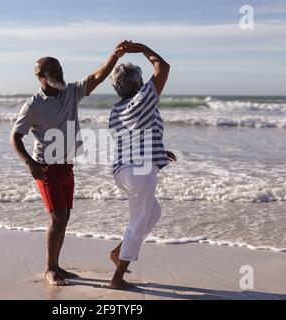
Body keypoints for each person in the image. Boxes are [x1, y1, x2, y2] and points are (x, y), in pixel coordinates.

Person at [9, 41, 129, 286]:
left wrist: (115, 56)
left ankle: (57, 266)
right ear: (41, 77)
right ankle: (49, 269)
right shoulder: (33, 105)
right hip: (46, 168)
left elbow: (98, 76)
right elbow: (15, 136)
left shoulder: (72, 91)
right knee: (58, 217)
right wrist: (29, 162)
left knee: (65, 217)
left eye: (60, 69)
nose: (60, 74)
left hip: (66, 166)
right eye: (53, 71)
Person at [108, 42, 177, 289]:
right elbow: (163, 67)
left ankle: (119, 252)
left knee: (152, 213)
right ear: (137, 83)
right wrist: (140, 47)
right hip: (139, 170)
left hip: (123, 170)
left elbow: (135, 137)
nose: (144, 79)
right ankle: (117, 278)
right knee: (139, 221)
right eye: (140, 76)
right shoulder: (142, 100)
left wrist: (160, 151)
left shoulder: (118, 109)